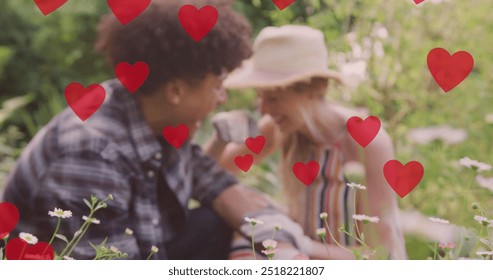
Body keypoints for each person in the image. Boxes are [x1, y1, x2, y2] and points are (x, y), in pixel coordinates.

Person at [1, 1, 315, 260]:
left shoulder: (158, 119)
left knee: (224, 222)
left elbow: (220, 188)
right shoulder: (91, 153)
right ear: (176, 90)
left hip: (150, 251)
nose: (223, 98)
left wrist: (288, 251)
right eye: (218, 85)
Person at [204, 25, 408, 259]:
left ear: (313, 89)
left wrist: (299, 244)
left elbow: (381, 253)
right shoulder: (279, 127)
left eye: (274, 98)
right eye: (260, 97)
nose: (263, 109)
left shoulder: (365, 142)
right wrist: (220, 139)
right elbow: (213, 175)